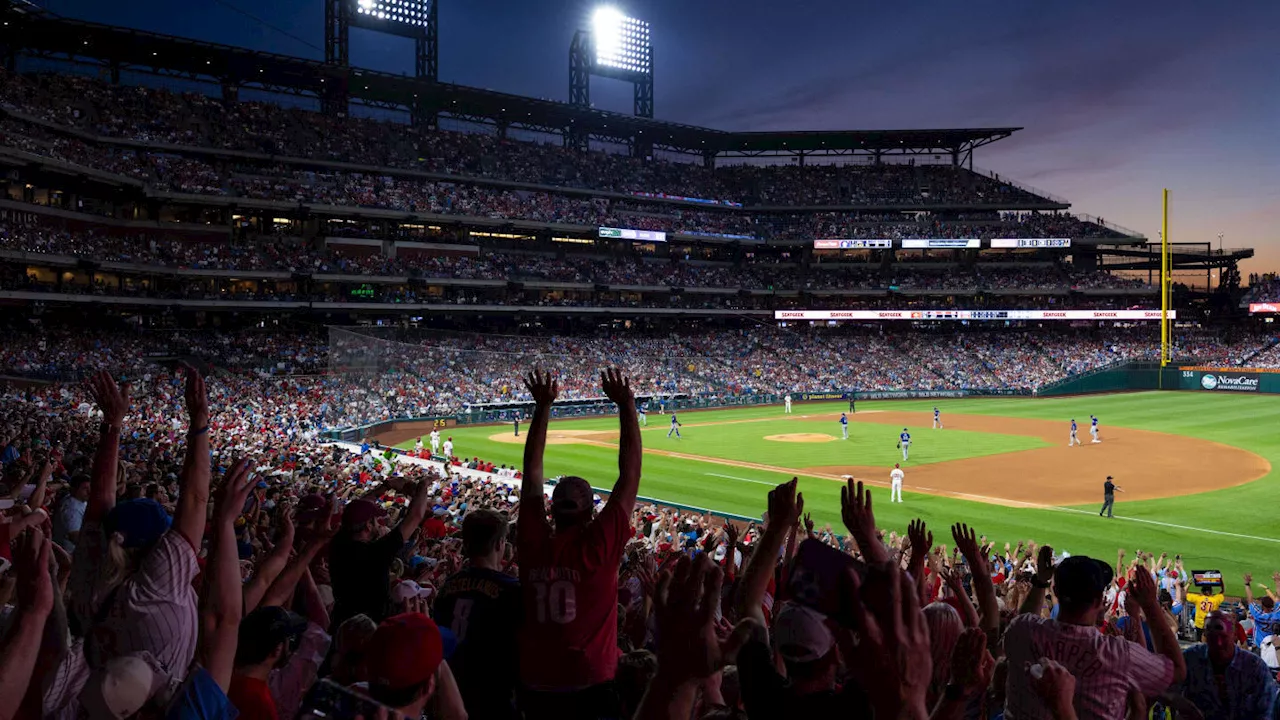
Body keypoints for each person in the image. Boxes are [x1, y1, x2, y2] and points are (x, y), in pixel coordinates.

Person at [517, 368, 641, 719]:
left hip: (535, 684)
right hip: (591, 684)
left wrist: (542, 407)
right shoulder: (598, 546)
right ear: (590, 512)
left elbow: (532, 472)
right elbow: (630, 473)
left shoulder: (532, 540)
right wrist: (626, 403)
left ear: (551, 510)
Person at [1003, 554, 1184, 719]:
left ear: (1056, 592)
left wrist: (1041, 581)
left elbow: (1025, 619)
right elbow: (1176, 670)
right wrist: (1151, 605)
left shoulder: (1022, 630)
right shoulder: (1119, 654)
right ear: (1098, 600)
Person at [434, 508, 521, 719]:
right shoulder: (513, 590)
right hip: (492, 698)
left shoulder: (448, 585)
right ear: (501, 544)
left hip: (448, 692)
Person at [328, 480, 432, 628]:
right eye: (376, 520)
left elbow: (357, 508)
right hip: (367, 631)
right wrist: (423, 486)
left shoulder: (338, 543)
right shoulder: (376, 553)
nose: (379, 522)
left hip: (341, 622)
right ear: (368, 525)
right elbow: (415, 516)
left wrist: (387, 486)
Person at [1164, 611, 1277, 720]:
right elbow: (1164, 689)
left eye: (1223, 639)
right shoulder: (1191, 657)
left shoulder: (1255, 667)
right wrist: (1180, 703)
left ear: (1233, 634)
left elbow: (1267, 711)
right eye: (1212, 640)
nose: (1218, 644)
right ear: (1205, 636)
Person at [53, 474, 89, 553]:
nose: (89, 491)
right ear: (73, 489)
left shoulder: (78, 499)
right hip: (70, 552)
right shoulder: (72, 508)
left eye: (90, 488)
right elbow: (74, 537)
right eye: (85, 488)